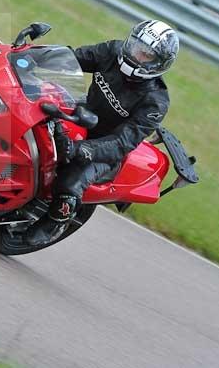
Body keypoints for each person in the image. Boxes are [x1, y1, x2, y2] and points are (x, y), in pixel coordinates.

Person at [25, 20, 179, 246]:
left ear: (158, 64)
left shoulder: (155, 101)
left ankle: (55, 221)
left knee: (70, 181)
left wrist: (83, 149)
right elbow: (72, 58)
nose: (136, 55)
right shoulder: (113, 52)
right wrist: (27, 58)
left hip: (105, 149)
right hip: (81, 116)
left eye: (146, 54)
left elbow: (123, 142)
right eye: (136, 46)